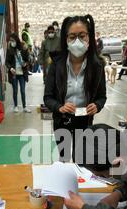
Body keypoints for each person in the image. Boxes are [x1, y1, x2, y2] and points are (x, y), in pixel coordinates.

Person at [44, 15, 106, 162]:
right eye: (72, 36)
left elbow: (102, 97)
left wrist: (97, 105)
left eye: (82, 36)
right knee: (64, 158)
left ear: (89, 37)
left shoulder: (97, 66)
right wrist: (60, 107)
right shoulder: (56, 65)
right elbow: (48, 98)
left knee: (82, 158)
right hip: (62, 121)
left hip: (84, 121)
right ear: (66, 40)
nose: (77, 41)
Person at [5, 33, 31, 113]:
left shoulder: (23, 48)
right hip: (14, 74)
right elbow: (7, 62)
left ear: (16, 40)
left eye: (13, 40)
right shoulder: (9, 49)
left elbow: (27, 59)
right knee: (15, 90)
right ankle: (15, 106)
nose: (11, 42)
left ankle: (24, 107)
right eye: (10, 40)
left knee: (23, 91)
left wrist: (26, 63)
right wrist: (10, 68)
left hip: (22, 74)